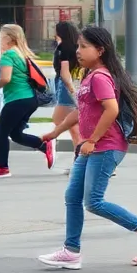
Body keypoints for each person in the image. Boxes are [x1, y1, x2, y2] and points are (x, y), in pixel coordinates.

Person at [37, 26, 137, 269]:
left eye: (84, 47)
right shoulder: (89, 75)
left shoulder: (101, 77)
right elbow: (80, 111)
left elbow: (111, 109)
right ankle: (71, 251)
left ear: (100, 50)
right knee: (72, 196)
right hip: (92, 145)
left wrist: (92, 139)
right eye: (78, 46)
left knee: (93, 201)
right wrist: (56, 132)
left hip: (106, 146)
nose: (78, 51)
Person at [0, 24, 52, 178]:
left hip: (17, 100)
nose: (0, 38)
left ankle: (2, 167)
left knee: (1, 132)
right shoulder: (21, 54)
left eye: (2, 36)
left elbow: (6, 79)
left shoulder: (8, 56)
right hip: (30, 100)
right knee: (16, 134)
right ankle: (43, 145)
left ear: (9, 38)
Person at [52, 21, 82, 174]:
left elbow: (64, 72)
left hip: (66, 85)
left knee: (60, 120)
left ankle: (49, 143)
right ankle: (79, 162)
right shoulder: (75, 46)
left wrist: (71, 90)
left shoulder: (64, 48)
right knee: (73, 126)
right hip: (72, 83)